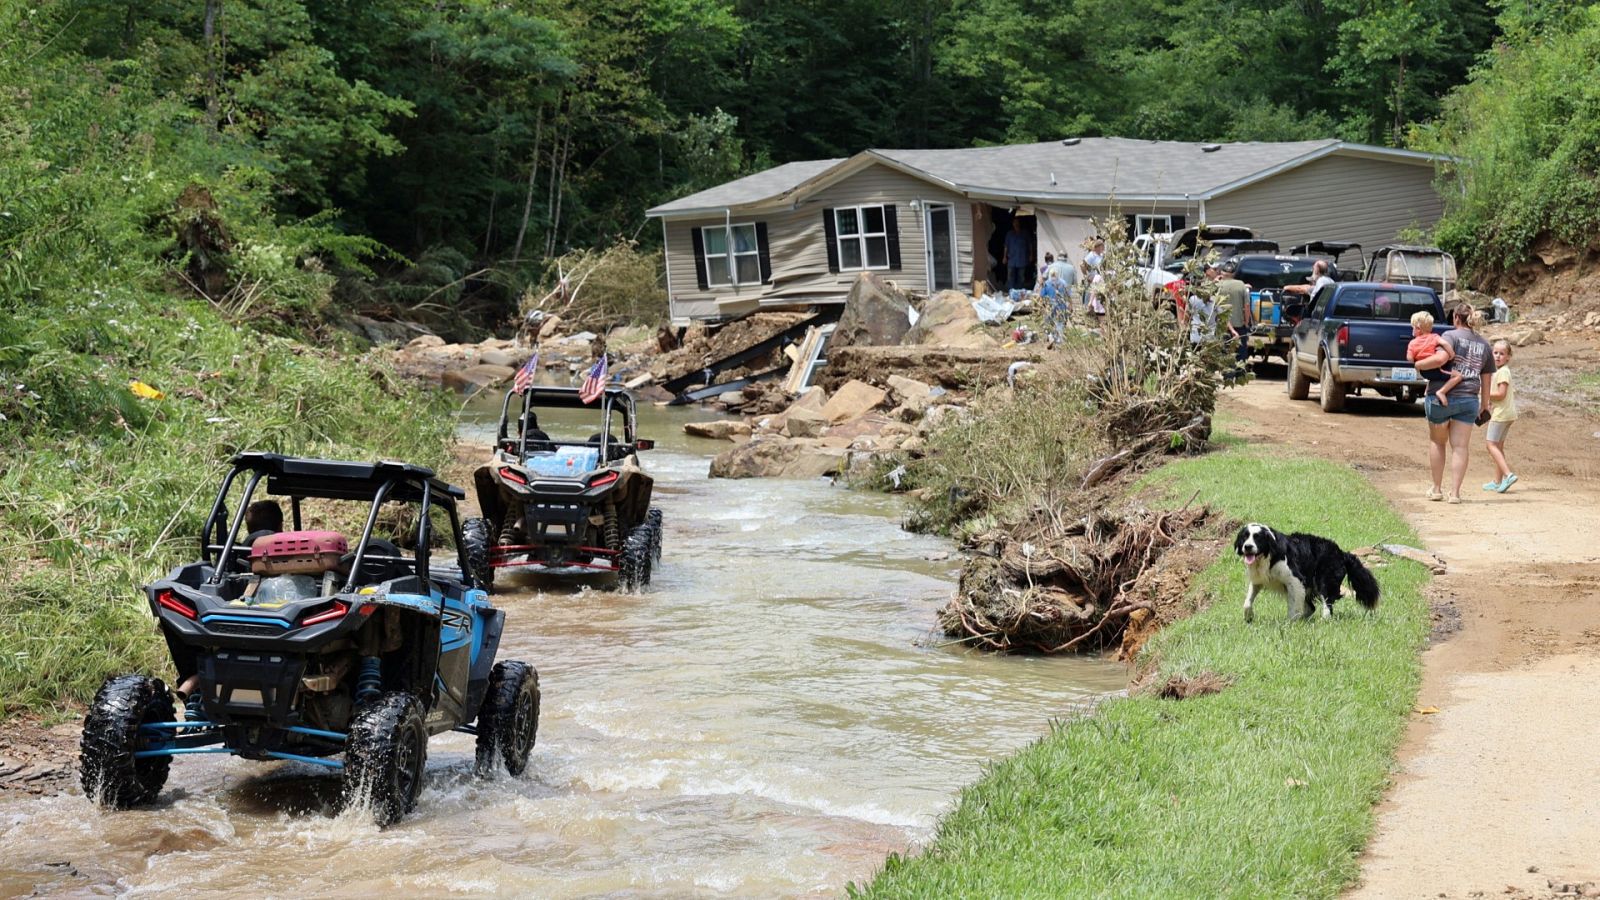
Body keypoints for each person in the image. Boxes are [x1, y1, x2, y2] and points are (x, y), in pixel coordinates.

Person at [1414, 302, 1496, 503]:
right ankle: (1456, 494)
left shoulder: (1449, 336)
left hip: (1441, 398)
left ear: (1456, 318)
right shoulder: (1484, 344)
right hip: (1469, 400)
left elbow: (1440, 359)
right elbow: (1486, 378)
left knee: (1437, 442)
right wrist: (1484, 405)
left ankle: (1436, 489)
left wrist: (1419, 364)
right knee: (1460, 447)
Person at [1483, 339, 1518, 493]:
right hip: (1507, 413)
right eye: (1495, 353)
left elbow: (1501, 394)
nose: (1497, 356)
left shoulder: (1503, 371)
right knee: (1498, 446)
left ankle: (1508, 475)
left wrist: (1484, 394)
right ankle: (1497, 482)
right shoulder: (1501, 371)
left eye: (1502, 354)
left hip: (1501, 415)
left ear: (1508, 356)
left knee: (1490, 444)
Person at [1407, 311, 1461, 405]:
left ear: (1418, 329)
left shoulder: (1412, 343)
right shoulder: (1434, 337)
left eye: (1413, 328)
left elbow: (1410, 358)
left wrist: (1416, 361)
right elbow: (1445, 344)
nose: (1412, 330)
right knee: (1458, 376)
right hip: (1435, 369)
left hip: (1423, 371)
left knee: (1433, 378)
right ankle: (1442, 392)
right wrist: (1452, 354)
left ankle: (1427, 391)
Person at [1216, 259, 1252, 370]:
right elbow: (1246, 306)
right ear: (1234, 273)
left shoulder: (1218, 286)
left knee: (1224, 351)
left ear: (1222, 273)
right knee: (1241, 352)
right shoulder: (1241, 285)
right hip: (1239, 324)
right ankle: (1240, 374)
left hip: (1222, 325)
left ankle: (1227, 374)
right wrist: (1246, 322)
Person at [1003, 218, 1030, 292]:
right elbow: (1006, 246)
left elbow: (1029, 245)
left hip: (1022, 259)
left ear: (1019, 224)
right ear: (1013, 224)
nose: (1016, 224)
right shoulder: (1009, 234)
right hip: (1012, 259)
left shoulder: (1025, 233)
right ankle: (1010, 291)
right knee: (1010, 276)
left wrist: (1031, 255)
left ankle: (1019, 291)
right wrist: (1004, 257)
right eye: (1014, 222)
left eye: (1017, 222)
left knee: (1021, 277)